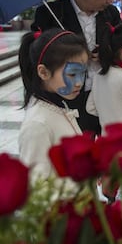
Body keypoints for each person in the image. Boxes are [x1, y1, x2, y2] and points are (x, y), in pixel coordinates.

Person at [31, 0, 122, 136]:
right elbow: (37, 56)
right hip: (68, 98)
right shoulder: (51, 15)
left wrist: (107, 54)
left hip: (106, 95)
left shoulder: (111, 14)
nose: (110, 0)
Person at [18, 28, 89, 180]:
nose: (79, 83)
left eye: (83, 73)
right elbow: (36, 190)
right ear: (43, 72)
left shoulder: (58, 105)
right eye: (72, 74)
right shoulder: (37, 125)